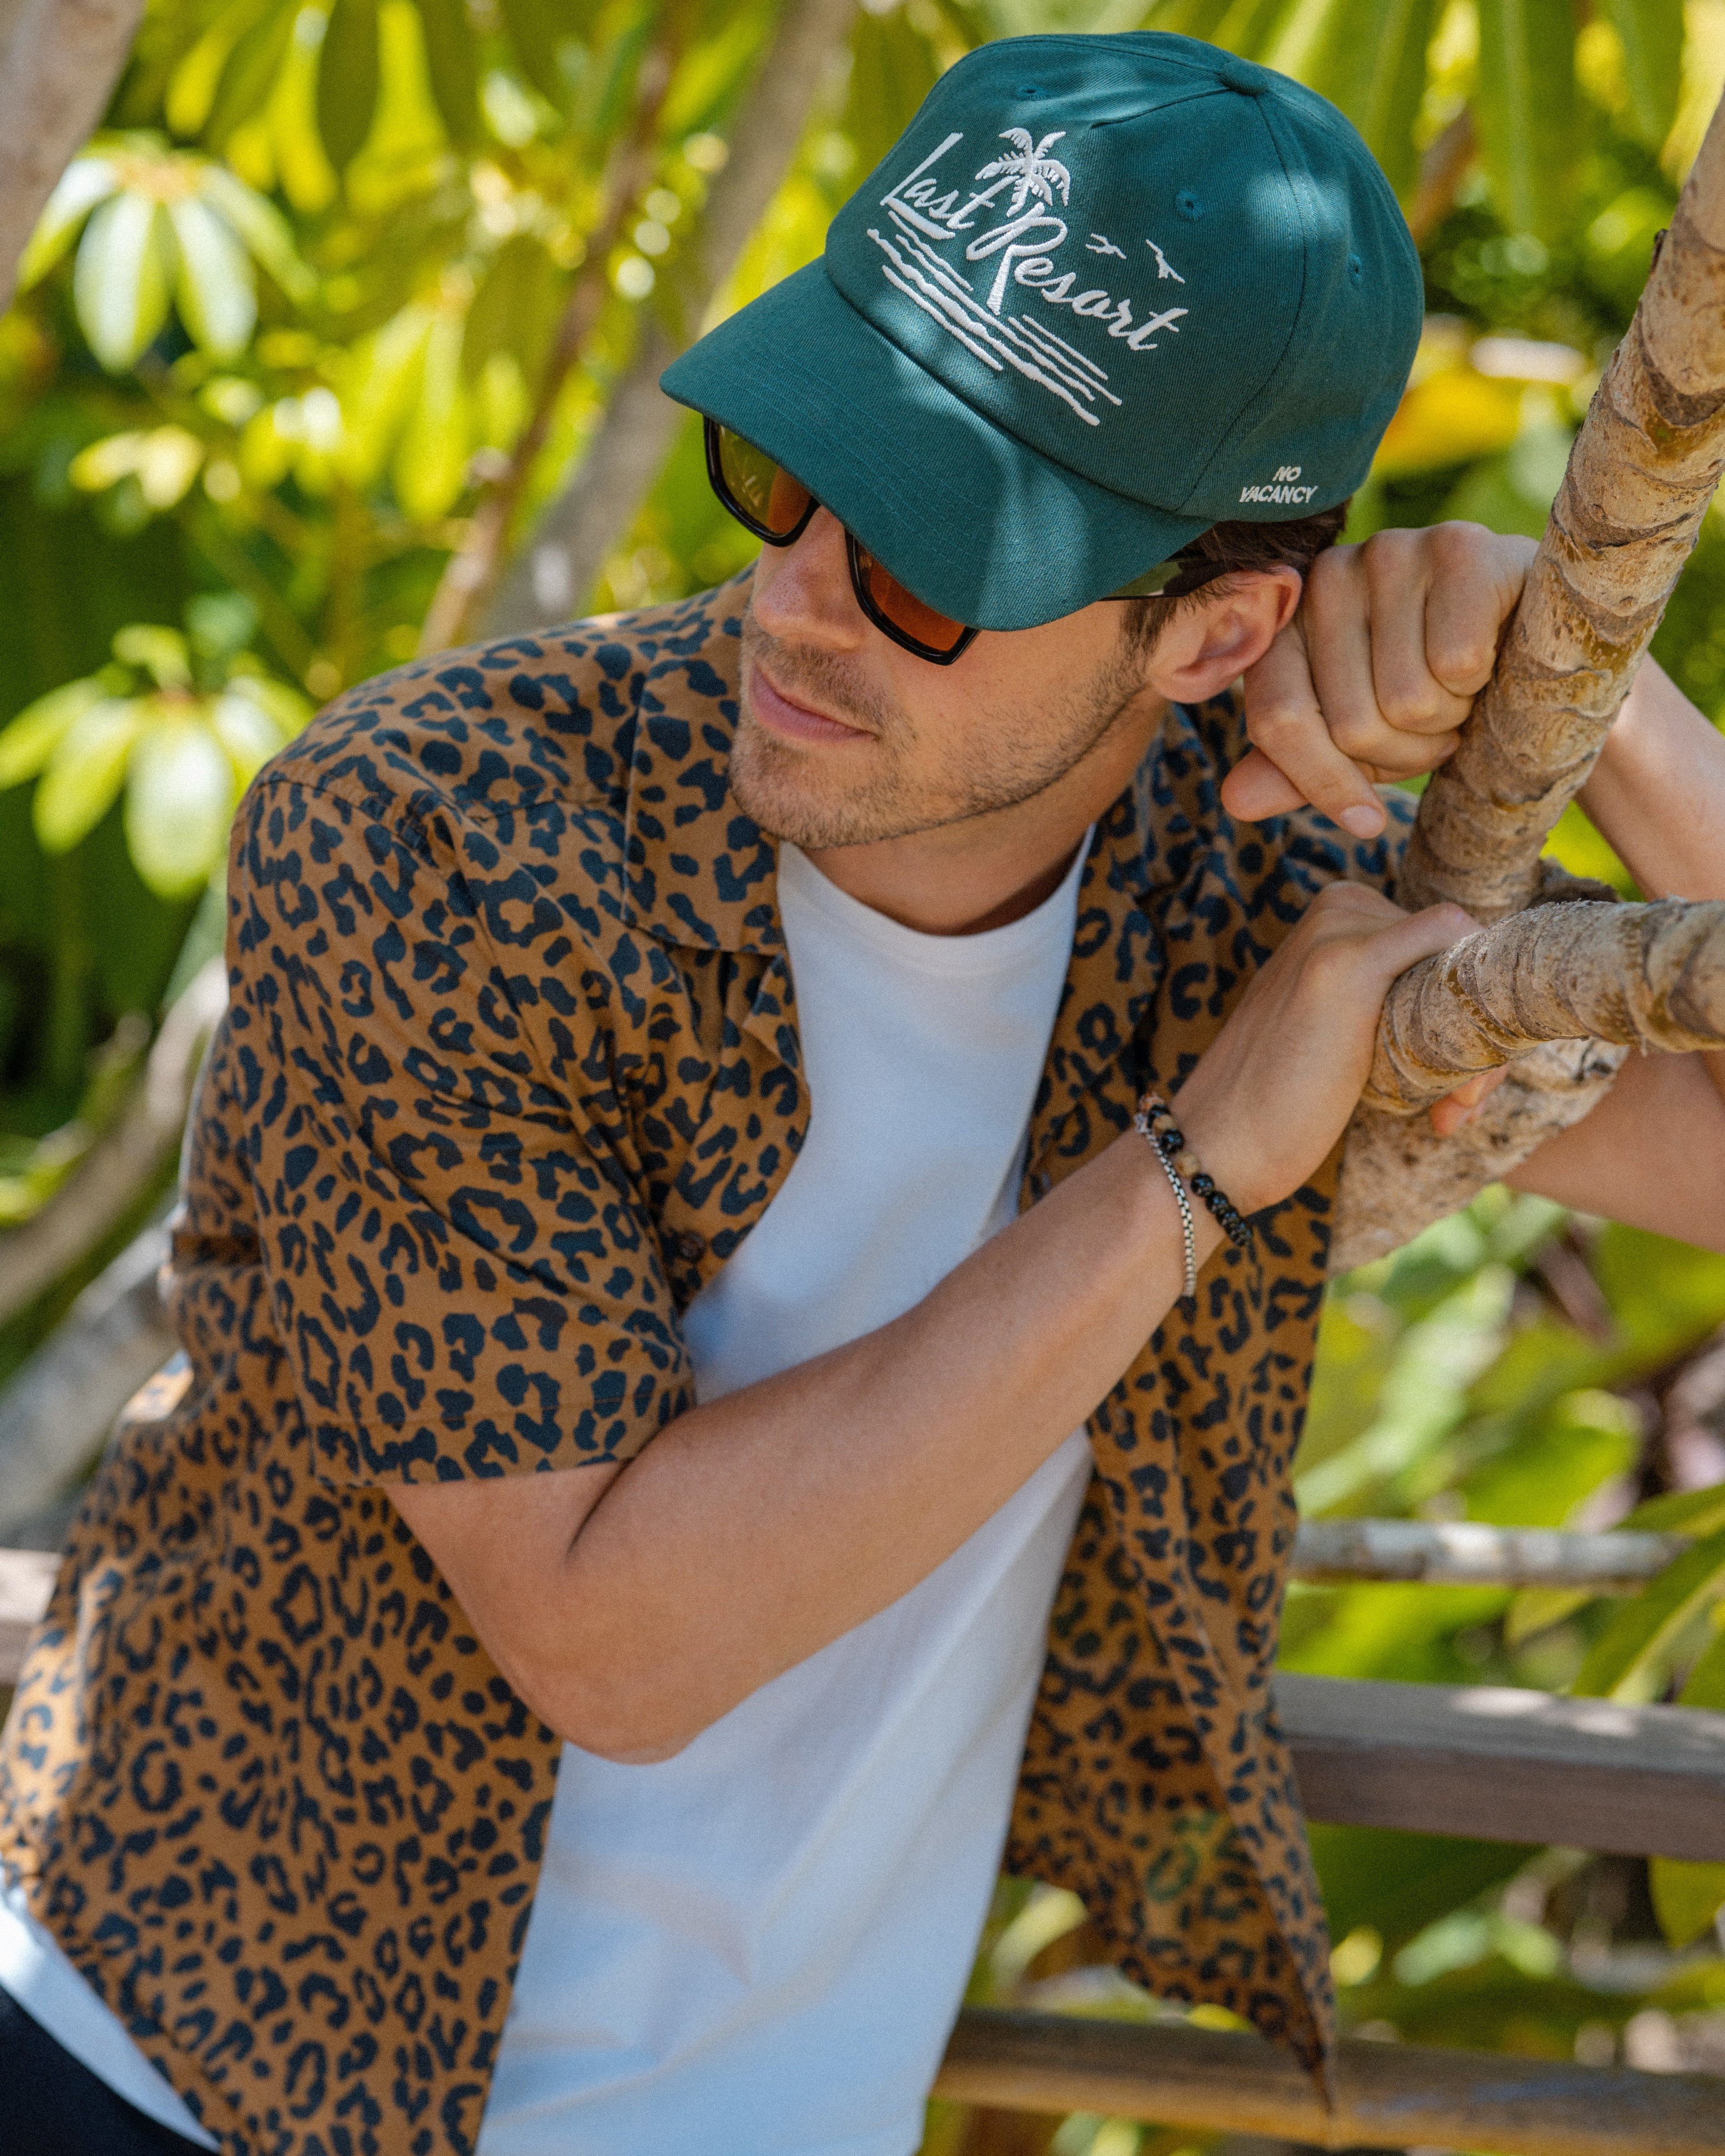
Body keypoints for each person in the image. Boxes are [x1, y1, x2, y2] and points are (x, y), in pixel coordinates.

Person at [3, 29, 1724, 2156]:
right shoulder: (443, 830)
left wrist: (1609, 697)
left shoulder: (1257, 884)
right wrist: (1192, 1168)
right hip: (190, 2072)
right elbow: (610, 1636)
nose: (798, 597)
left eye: (928, 560)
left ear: (1209, 636)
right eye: (789, 469)